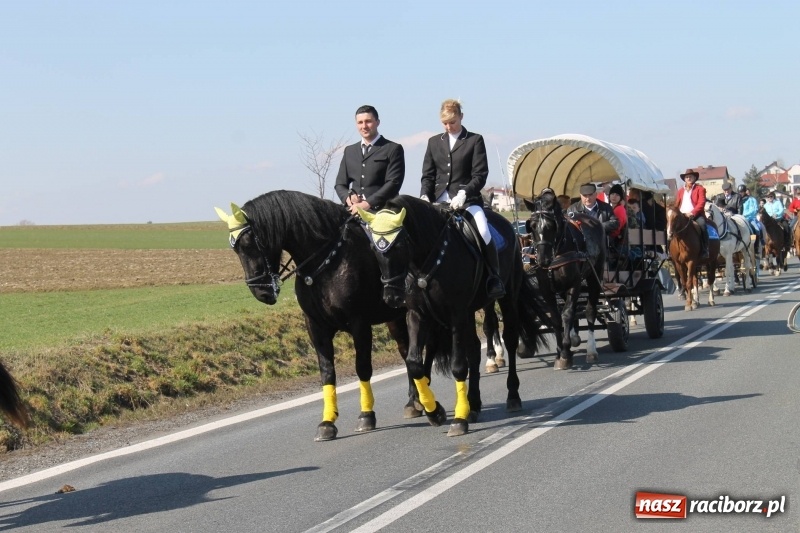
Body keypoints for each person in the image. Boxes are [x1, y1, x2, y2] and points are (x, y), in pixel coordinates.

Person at [420, 99, 504, 300]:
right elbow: (428, 175)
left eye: (453, 122)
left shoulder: (474, 140)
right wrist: (425, 194)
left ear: (461, 117)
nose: (449, 127)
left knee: (483, 231)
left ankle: (494, 277)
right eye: (445, 124)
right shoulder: (434, 142)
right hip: (438, 200)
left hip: (466, 200)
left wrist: (464, 193)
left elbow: (480, 174)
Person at [335, 105, 405, 215]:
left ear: (378, 122)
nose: (364, 126)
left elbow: (394, 182)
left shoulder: (393, 148)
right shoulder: (349, 151)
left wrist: (367, 203)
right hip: (354, 212)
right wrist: (349, 199)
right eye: (360, 122)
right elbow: (340, 184)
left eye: (368, 121)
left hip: (384, 211)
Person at [673, 168, 709, 258]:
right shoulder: (681, 191)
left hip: (695, 215)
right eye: (687, 177)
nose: (688, 178)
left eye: (690, 177)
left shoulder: (700, 189)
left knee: (702, 225)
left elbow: (701, 203)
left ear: (694, 178)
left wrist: (692, 212)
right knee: (671, 227)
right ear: (684, 179)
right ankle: (671, 251)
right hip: (682, 215)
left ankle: (705, 249)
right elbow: (677, 204)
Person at [739, 185, 764, 251]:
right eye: (745, 192)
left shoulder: (752, 200)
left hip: (750, 218)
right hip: (741, 218)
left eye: (748, 192)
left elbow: (754, 210)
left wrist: (744, 214)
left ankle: (756, 245)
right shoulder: (740, 200)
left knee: (757, 229)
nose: (746, 193)